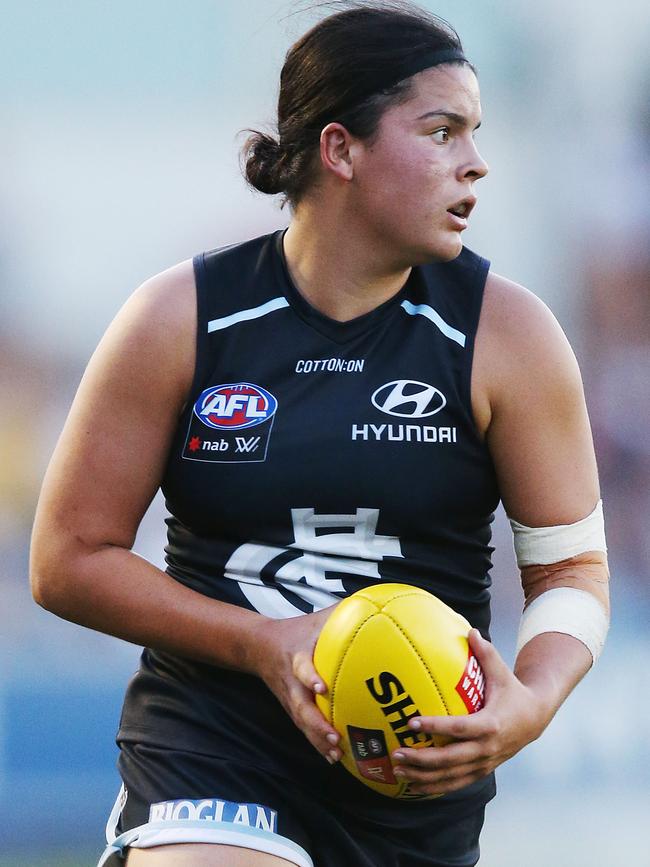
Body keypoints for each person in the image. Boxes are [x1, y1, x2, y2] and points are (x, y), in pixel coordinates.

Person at [30, 3, 610, 866]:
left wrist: (532, 697)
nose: (476, 164)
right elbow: (67, 559)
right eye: (443, 131)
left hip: (414, 782)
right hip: (213, 743)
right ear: (341, 150)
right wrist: (265, 645)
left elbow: (571, 569)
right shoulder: (180, 319)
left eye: (475, 133)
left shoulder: (510, 337)